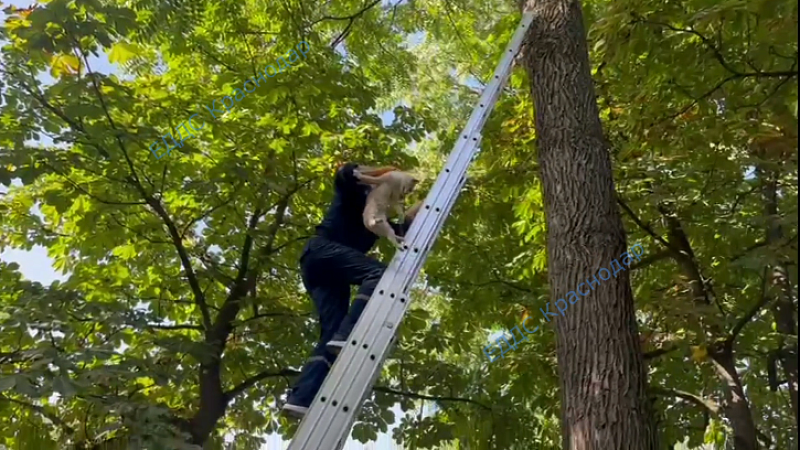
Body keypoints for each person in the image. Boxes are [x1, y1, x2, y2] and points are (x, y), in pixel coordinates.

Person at [282, 162, 422, 418]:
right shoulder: (354, 194)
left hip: (323, 270)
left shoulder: (375, 220)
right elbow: (346, 174)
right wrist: (380, 173)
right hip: (321, 251)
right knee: (380, 275)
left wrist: (422, 207)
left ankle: (300, 398)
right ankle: (348, 335)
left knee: (330, 335)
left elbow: (403, 229)